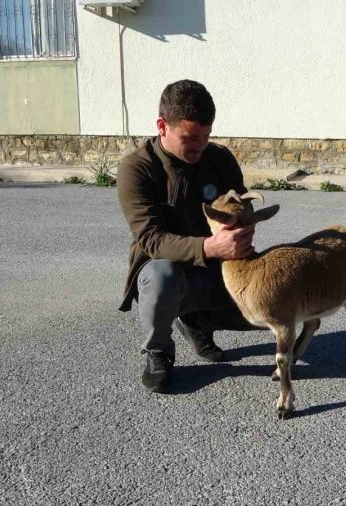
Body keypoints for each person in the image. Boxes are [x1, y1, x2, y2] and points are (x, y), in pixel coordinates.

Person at [117, 79, 261, 393]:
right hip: (163, 273)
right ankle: (158, 351)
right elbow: (152, 240)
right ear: (162, 126)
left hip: (214, 270)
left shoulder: (219, 159)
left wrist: (240, 227)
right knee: (163, 275)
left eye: (206, 136)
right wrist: (210, 245)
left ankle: (196, 323)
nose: (199, 145)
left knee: (271, 304)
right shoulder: (137, 169)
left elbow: (241, 208)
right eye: (190, 137)